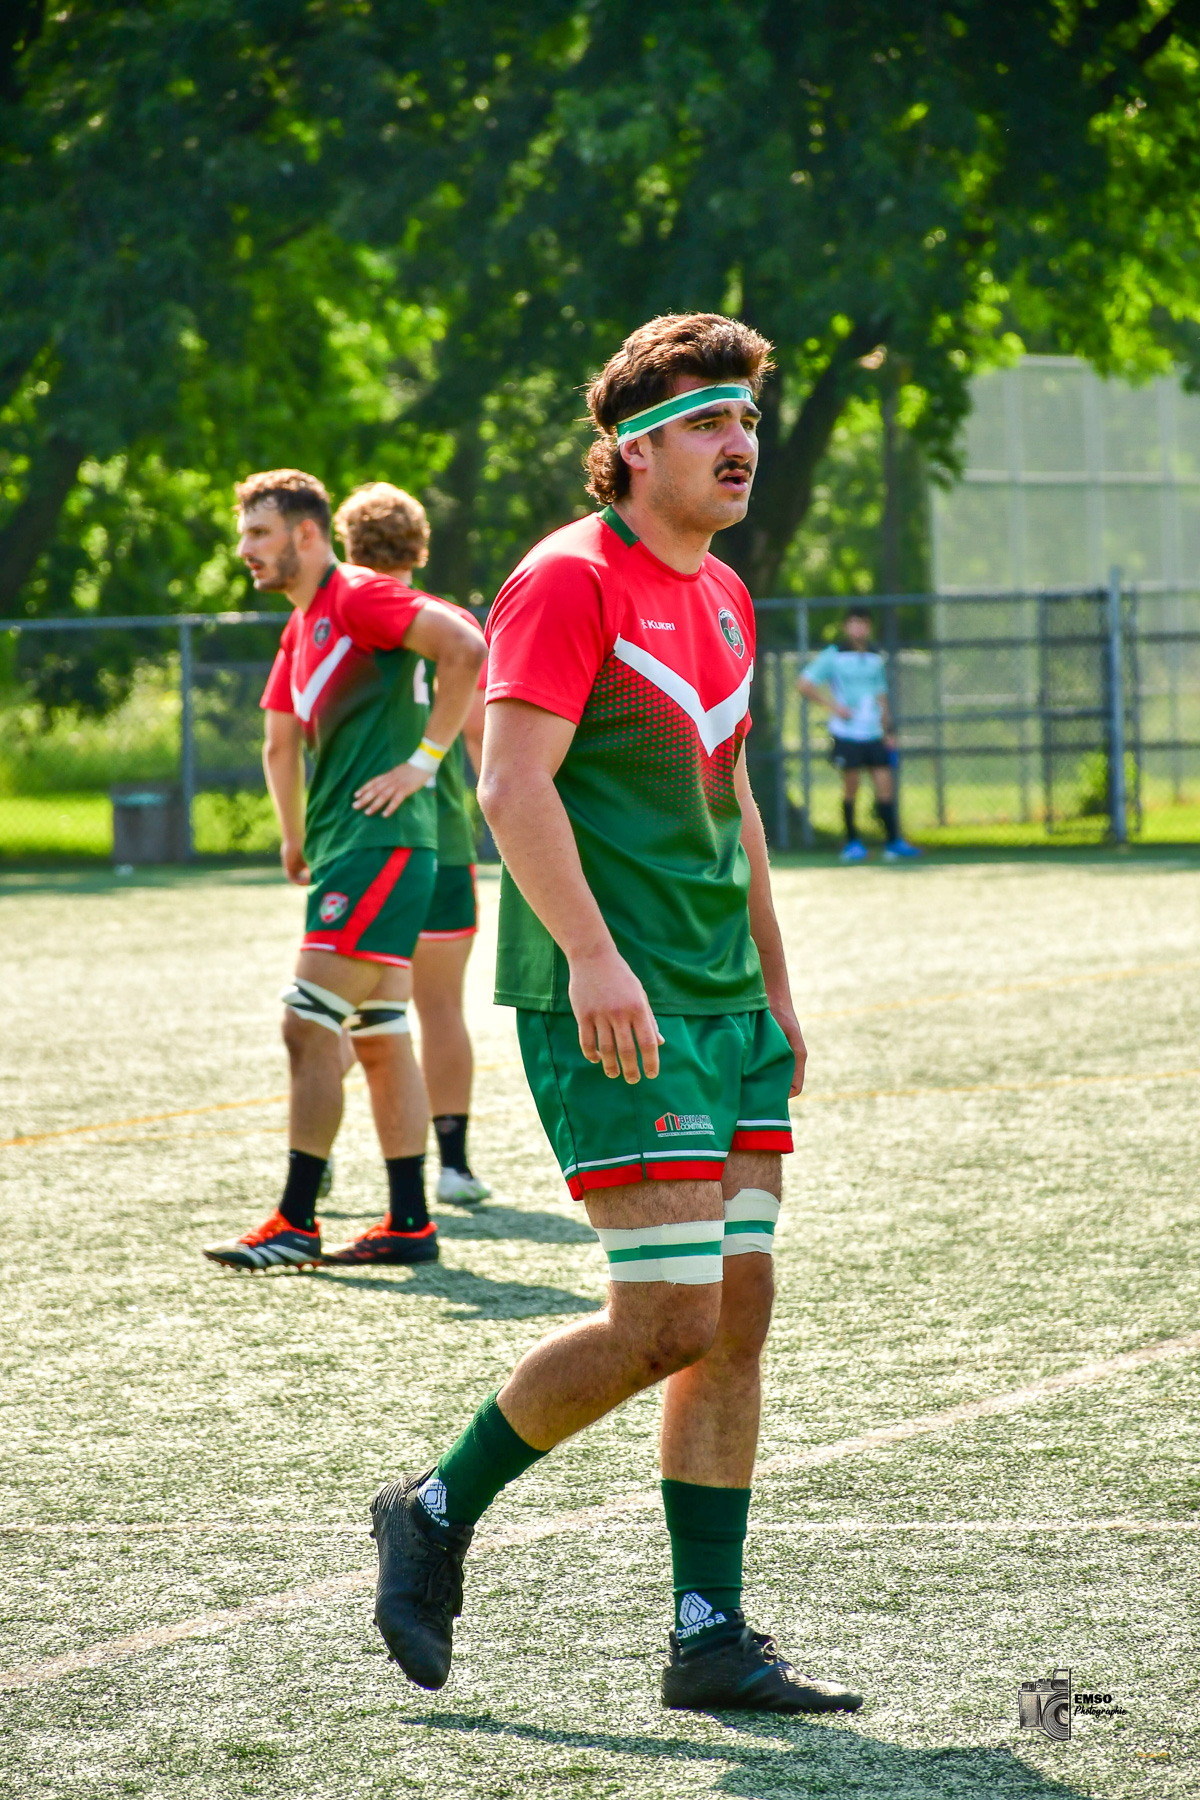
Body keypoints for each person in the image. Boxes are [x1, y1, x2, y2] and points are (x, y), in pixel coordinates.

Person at [368, 315, 863, 1716]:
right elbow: (511, 787)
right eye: (713, 423)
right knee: (665, 1318)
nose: (740, 446)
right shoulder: (568, 580)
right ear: (636, 447)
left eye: (749, 423)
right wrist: (593, 959)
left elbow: (735, 802)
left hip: (725, 1006)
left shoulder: (723, 596)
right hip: (615, 1005)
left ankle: (709, 1634)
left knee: (739, 1312)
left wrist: (775, 982)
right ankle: (436, 1507)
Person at [202, 469, 486, 1273]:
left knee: (306, 1020)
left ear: (305, 533)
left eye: (258, 533)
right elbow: (279, 739)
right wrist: (296, 840)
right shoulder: (305, 623)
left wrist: (423, 764)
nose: (244, 550)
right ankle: (408, 1223)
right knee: (382, 1035)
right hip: (349, 847)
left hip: (381, 845)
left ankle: (296, 1219)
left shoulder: (358, 595)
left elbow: (466, 645)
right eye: (244, 533)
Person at [331, 481, 491, 1207]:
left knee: (342, 1002)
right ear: (419, 549)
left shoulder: (342, 620)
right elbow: (486, 736)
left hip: (369, 838)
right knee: (440, 1007)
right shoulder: (450, 623)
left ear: (346, 548)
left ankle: (318, 1149)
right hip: (446, 839)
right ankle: (453, 1166)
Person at [797, 605, 919, 862]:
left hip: (873, 733)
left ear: (869, 627)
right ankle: (852, 843)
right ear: (845, 626)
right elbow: (804, 684)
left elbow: (881, 695)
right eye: (853, 623)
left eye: (862, 623)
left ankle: (893, 842)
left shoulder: (876, 657)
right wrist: (834, 707)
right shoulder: (834, 655)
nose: (858, 628)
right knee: (852, 787)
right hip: (847, 734)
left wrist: (888, 730)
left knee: (886, 786)